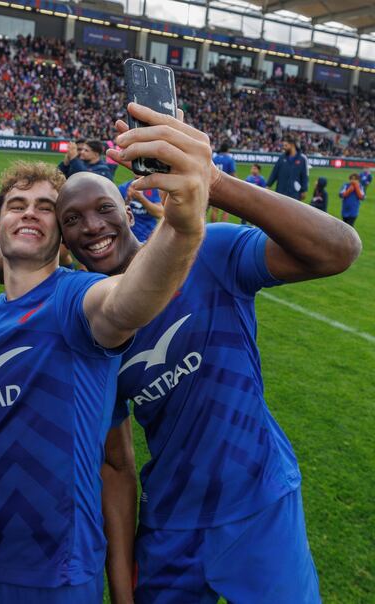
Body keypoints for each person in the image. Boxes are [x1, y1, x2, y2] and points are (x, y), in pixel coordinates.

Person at [57, 103, 360, 604]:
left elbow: (338, 250)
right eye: (73, 219)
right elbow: (115, 463)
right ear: (64, 239)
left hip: (259, 502)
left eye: (103, 208)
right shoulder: (89, 327)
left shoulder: (209, 252)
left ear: (129, 208)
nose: (91, 225)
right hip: (172, 522)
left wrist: (211, 180)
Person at [0, 147, 210, 603]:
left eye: (43, 208)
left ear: (59, 237)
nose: (29, 213)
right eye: (17, 205)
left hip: (60, 573)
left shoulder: (78, 298)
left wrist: (183, 227)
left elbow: (127, 301)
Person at [266, 136, 308, 201]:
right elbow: (274, 173)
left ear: (292, 145)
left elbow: (304, 176)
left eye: (286, 145)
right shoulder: (281, 158)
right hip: (280, 192)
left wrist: (304, 190)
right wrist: (268, 185)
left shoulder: (302, 159)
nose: (283, 147)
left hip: (294, 193)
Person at [210, 142, 235, 222]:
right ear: (227, 149)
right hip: (225, 186)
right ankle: (223, 228)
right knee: (226, 210)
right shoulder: (229, 159)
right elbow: (233, 173)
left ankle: (213, 227)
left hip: (214, 185)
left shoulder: (215, 158)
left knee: (214, 209)